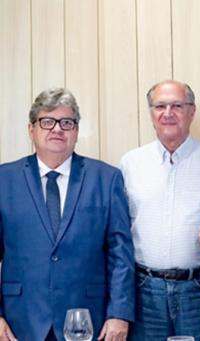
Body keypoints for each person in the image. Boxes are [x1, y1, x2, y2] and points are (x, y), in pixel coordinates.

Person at [0, 88, 134, 341]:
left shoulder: (106, 178)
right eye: (47, 121)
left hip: (88, 319)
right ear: (31, 129)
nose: (57, 129)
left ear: (76, 130)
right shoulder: (4, 179)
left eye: (66, 122)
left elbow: (120, 253)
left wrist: (120, 313)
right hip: (20, 319)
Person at [120, 80, 200, 340]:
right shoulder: (130, 163)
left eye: (177, 105)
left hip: (198, 290)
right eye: (160, 106)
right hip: (144, 291)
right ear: (151, 113)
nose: (168, 113)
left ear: (192, 111)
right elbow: (119, 232)